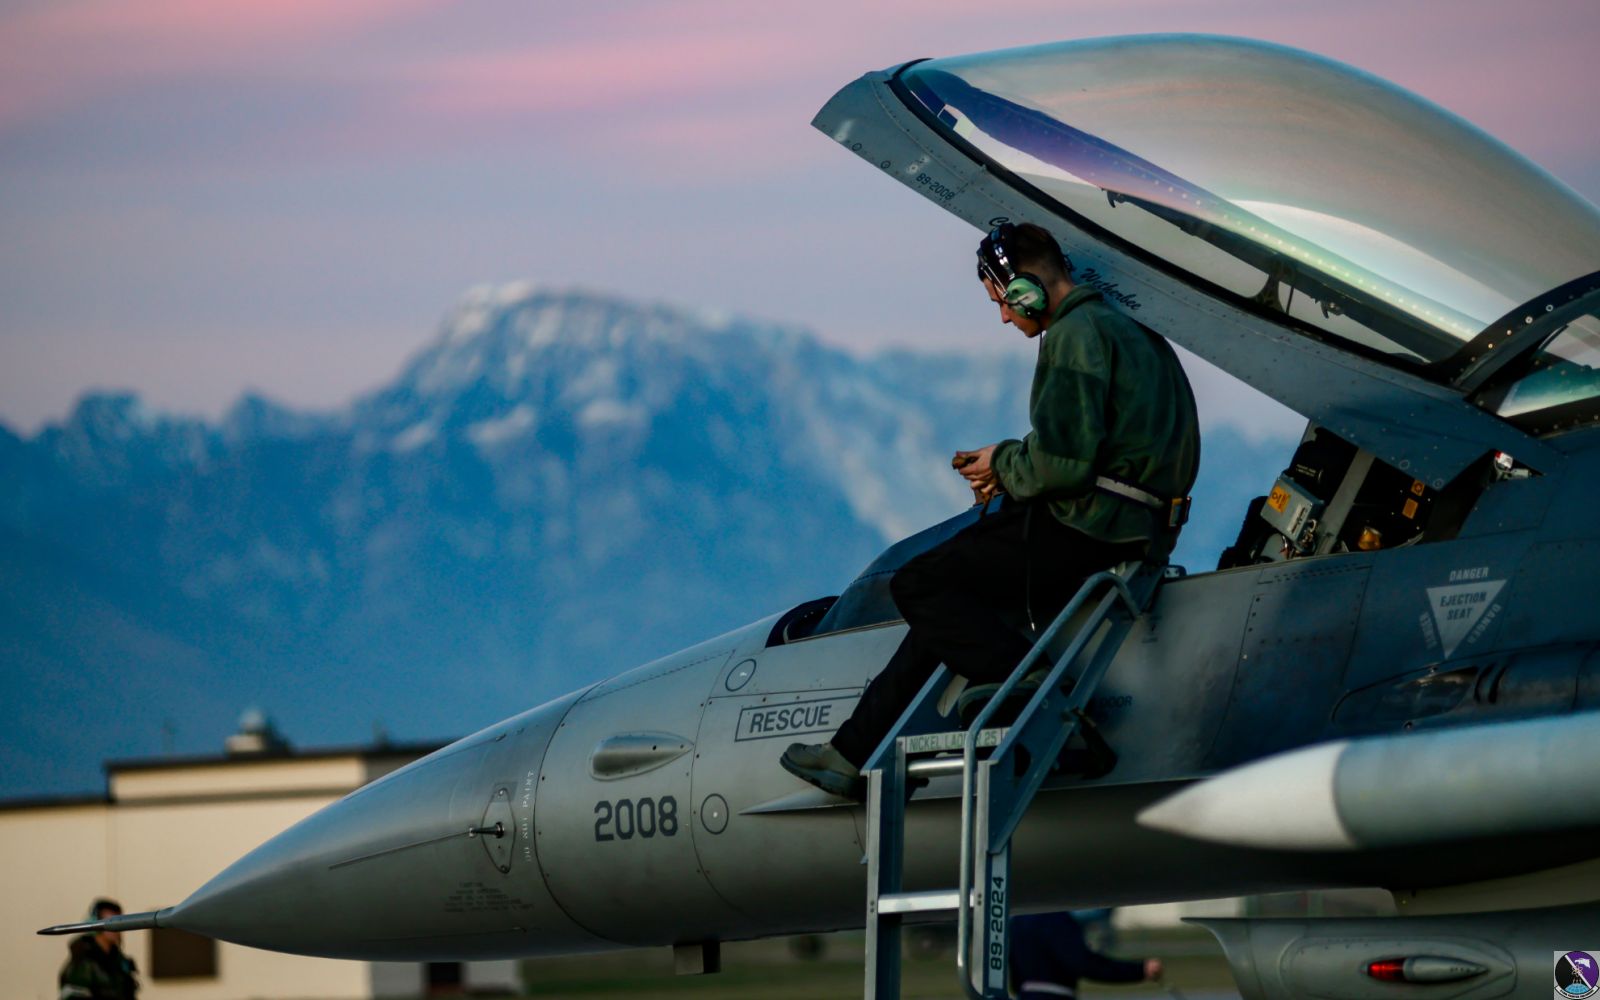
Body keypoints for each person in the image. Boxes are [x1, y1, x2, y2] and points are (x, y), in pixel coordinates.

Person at [780, 222, 1200, 798]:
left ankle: (1023, 681)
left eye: (1003, 301)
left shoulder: (1076, 335)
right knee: (951, 598)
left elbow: (1065, 463)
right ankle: (854, 753)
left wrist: (1003, 466)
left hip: (1091, 527)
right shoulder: (1127, 332)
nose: (1005, 317)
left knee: (919, 582)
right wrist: (1006, 467)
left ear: (1026, 289)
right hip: (1131, 526)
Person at [1010, 910, 1163, 999]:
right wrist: (1139, 970)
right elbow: (1085, 964)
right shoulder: (1057, 920)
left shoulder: (1018, 919)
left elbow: (1014, 971)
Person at [58, 898, 139, 1000]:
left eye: (119, 922)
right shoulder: (83, 962)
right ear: (96, 922)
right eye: (110, 921)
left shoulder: (120, 961)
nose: (115, 928)